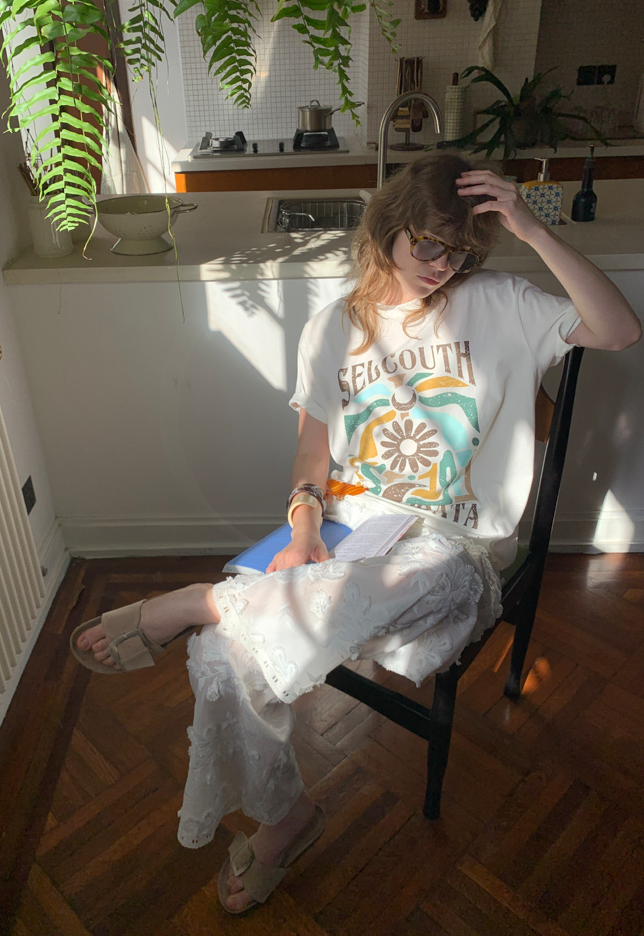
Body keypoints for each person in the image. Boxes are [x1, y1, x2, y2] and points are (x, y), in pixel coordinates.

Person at [71, 153, 640, 915]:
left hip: (455, 541)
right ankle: (286, 817)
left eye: (461, 249)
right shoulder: (332, 327)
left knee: (415, 578)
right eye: (428, 242)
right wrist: (305, 528)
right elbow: (311, 460)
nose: (443, 263)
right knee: (220, 656)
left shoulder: (504, 302)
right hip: (349, 522)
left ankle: (200, 601)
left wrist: (531, 228)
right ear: (388, 228)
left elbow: (619, 329)